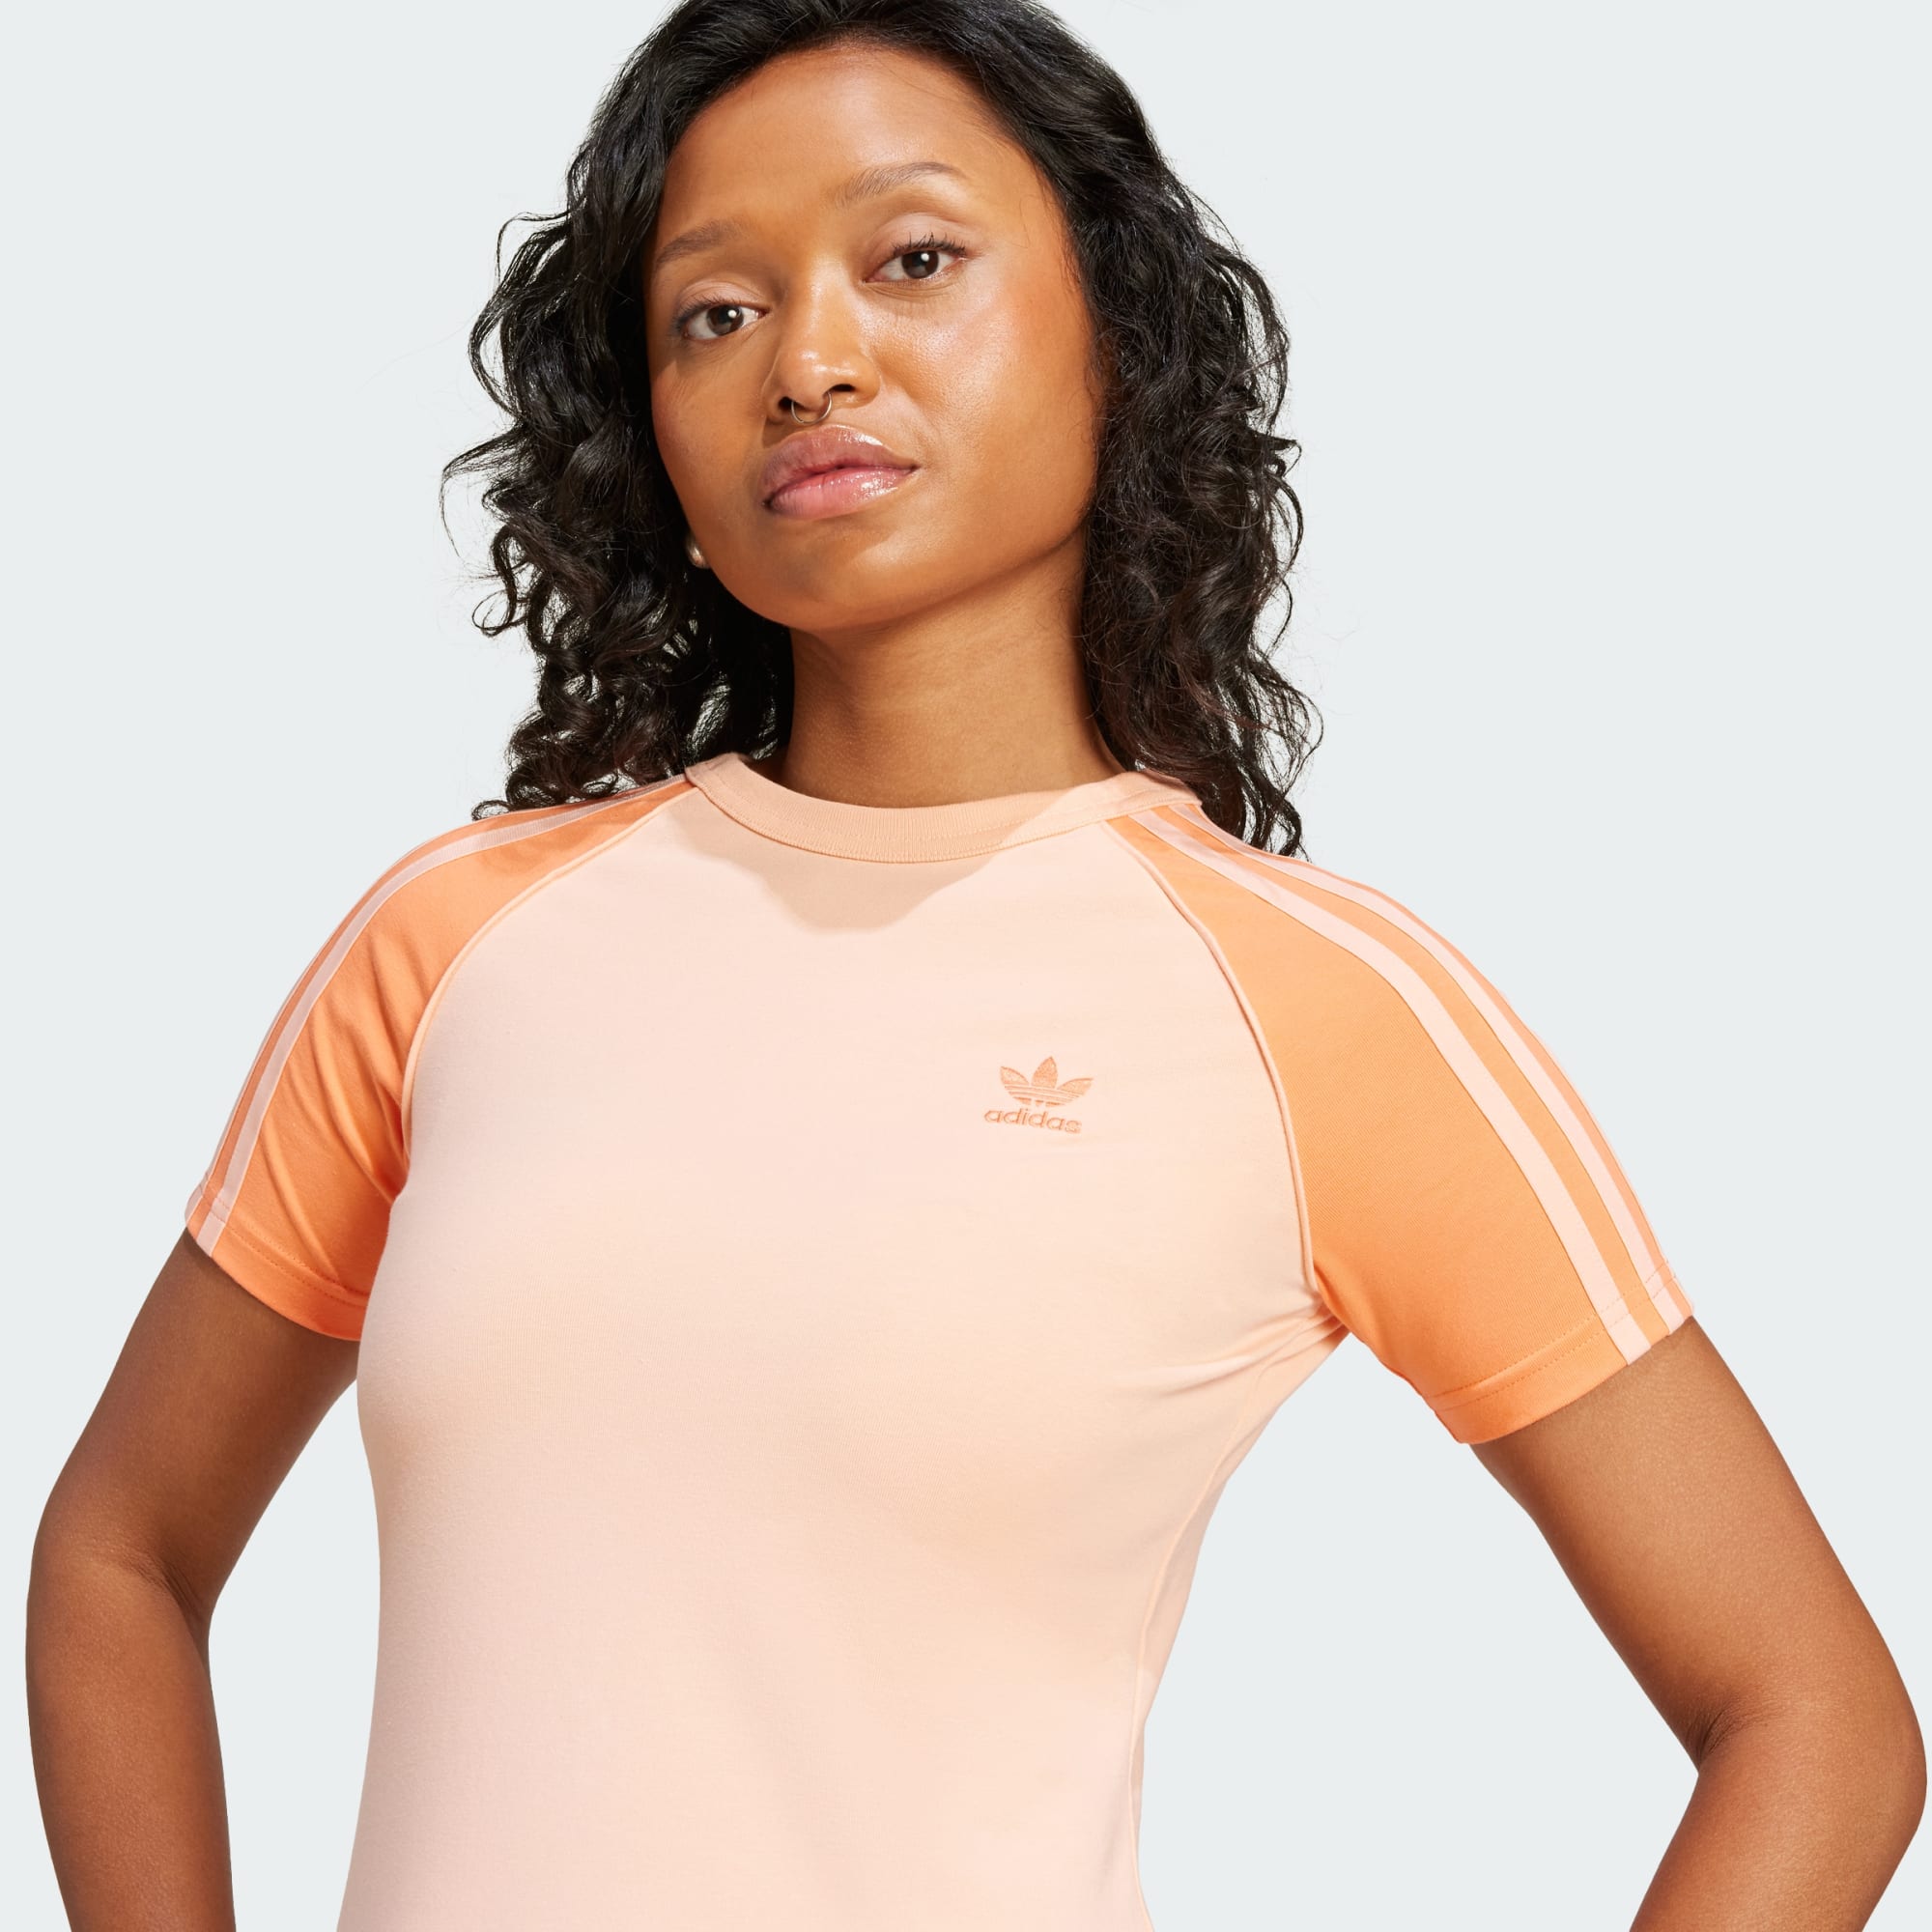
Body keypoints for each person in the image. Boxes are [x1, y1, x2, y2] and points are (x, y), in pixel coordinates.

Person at [27, 1, 1923, 1926]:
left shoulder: (1316, 1009)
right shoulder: (452, 946)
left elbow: (1815, 1721)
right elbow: (121, 1552)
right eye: (714, 312)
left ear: (1119, 334)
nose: (809, 361)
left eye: (914, 259)